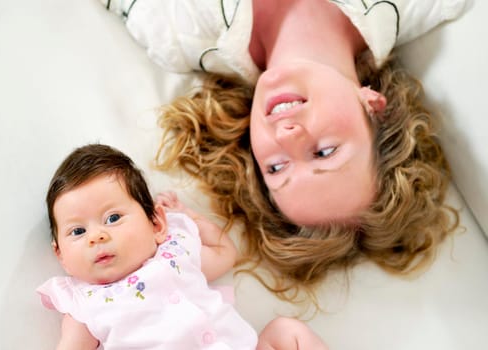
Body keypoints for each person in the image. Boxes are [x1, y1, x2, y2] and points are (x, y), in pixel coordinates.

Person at [100, 0, 464, 297]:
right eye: (324, 152)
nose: (287, 134)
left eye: (277, 167)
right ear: (374, 107)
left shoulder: (176, 33)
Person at [37, 143, 328, 350]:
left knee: (286, 331)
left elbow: (225, 253)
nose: (95, 236)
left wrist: (191, 218)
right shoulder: (84, 304)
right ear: (61, 255)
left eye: (112, 218)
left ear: (156, 224)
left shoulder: (176, 252)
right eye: (77, 231)